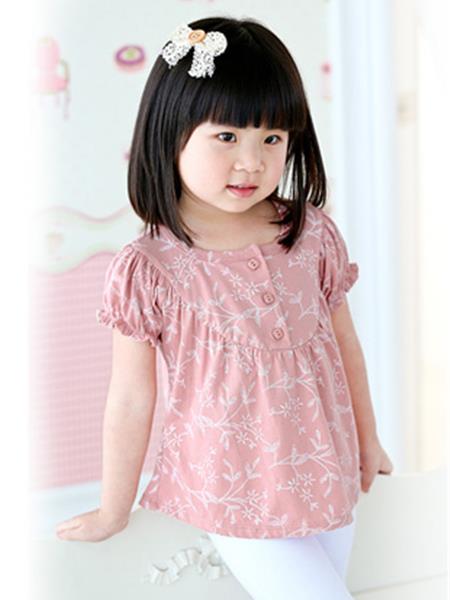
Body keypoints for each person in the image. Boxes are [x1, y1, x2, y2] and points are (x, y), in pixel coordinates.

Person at [55, 16, 394, 598]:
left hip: (327, 470)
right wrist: (114, 506)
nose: (252, 162)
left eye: (272, 139)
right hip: (234, 491)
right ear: (172, 132)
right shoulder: (152, 266)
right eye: (228, 137)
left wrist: (368, 440)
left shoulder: (310, 235)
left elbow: (345, 347)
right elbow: (132, 396)